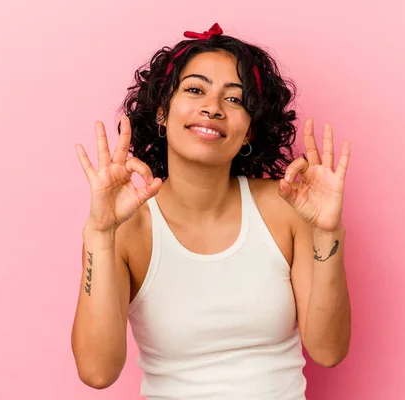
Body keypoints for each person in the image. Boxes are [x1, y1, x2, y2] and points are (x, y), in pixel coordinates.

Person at [71, 22, 352, 399]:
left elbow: (329, 350)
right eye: (194, 89)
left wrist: (328, 233)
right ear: (161, 112)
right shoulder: (128, 227)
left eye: (234, 99)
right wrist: (99, 235)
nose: (212, 108)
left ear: (250, 130)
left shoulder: (284, 207)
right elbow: (97, 371)